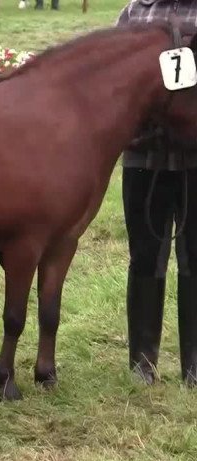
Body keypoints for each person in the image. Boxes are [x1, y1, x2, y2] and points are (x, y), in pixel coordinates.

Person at [117, 0, 197, 386]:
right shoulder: (135, 11)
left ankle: (194, 366)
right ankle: (142, 363)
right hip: (143, 159)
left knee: (195, 257)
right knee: (145, 257)